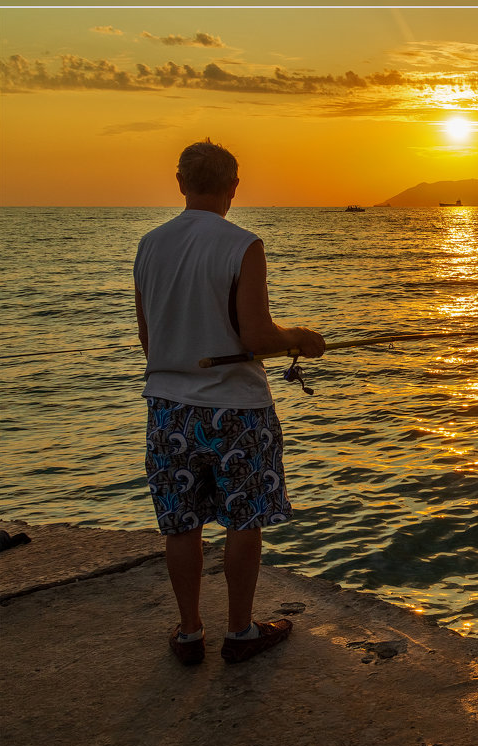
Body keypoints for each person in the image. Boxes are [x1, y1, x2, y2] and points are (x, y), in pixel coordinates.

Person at [134, 139, 325, 665]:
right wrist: (300, 336)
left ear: (180, 183)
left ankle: (190, 632)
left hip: (168, 406)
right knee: (244, 521)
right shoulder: (242, 244)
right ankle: (240, 632)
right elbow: (259, 335)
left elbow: (150, 338)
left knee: (182, 521)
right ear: (234, 186)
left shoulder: (149, 245)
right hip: (237, 410)